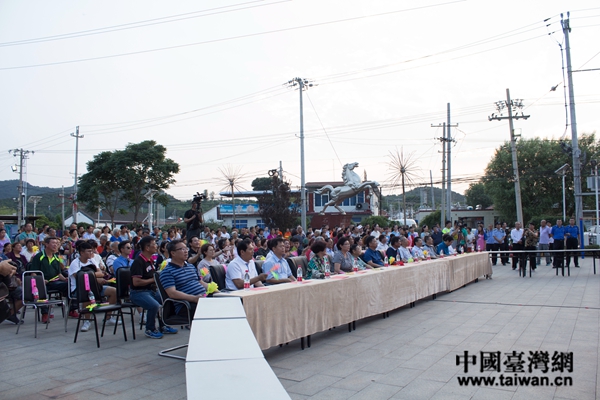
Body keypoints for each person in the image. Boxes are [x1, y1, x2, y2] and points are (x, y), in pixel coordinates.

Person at [130, 236, 178, 339]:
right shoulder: (138, 262)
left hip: (151, 291)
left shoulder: (150, 260)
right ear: (147, 248)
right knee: (154, 305)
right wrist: (153, 280)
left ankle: (163, 325)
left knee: (166, 300)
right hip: (138, 293)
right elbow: (136, 282)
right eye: (154, 244)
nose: (156, 246)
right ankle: (150, 329)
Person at [69, 241, 119, 332]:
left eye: (91, 251)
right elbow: (80, 278)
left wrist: (92, 277)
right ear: (81, 252)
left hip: (95, 286)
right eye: (89, 251)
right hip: (79, 289)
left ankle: (108, 317)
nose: (91, 253)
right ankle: (87, 320)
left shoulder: (92, 261)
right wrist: (95, 278)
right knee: (87, 292)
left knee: (114, 291)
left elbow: (101, 273)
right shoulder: (75, 263)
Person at [28, 236, 77, 321]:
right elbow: (33, 273)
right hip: (42, 283)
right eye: (53, 243)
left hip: (54, 282)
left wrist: (64, 279)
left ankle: (72, 309)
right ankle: (45, 313)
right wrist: (41, 280)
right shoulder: (39, 256)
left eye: (57, 244)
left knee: (69, 285)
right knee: (41, 288)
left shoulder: (56, 257)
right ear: (46, 244)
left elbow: (59, 274)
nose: (55, 245)